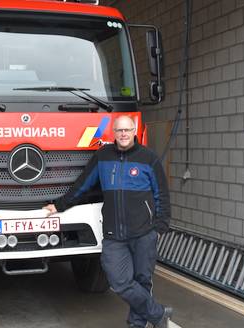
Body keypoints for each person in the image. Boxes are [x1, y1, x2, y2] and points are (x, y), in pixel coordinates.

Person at [43, 115, 173, 328]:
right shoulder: (103, 156)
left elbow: (162, 194)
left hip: (144, 233)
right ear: (114, 133)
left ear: (134, 131)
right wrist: (59, 205)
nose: (123, 134)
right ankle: (157, 314)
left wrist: (160, 226)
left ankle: (136, 324)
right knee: (119, 282)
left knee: (142, 280)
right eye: (119, 130)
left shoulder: (148, 158)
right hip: (114, 235)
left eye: (127, 130)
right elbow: (83, 184)